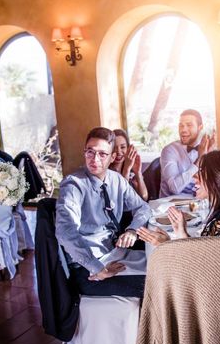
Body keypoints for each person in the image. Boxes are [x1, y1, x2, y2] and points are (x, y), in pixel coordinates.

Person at [55, 127, 151, 297]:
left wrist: (132, 230)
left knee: (161, 273)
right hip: (88, 269)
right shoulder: (73, 185)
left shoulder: (117, 180)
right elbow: (65, 231)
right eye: (90, 152)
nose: (95, 159)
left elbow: (143, 207)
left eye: (102, 154)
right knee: (153, 287)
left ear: (112, 157)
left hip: (115, 254)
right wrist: (97, 268)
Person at [138, 150, 220, 246]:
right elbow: (202, 255)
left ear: (217, 181)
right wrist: (181, 232)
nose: (195, 176)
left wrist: (165, 245)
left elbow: (200, 270)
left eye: (201, 172)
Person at [159, 109, 216, 197]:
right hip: (170, 207)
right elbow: (174, 188)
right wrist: (200, 159)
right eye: (181, 125)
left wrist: (212, 156)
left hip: (199, 206)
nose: (183, 130)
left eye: (189, 125)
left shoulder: (208, 148)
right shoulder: (169, 150)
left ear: (200, 127)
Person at [110, 129, 148, 201]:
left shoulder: (131, 169)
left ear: (128, 148)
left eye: (123, 147)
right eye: (114, 147)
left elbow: (144, 197)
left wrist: (138, 172)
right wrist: (126, 169)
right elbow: (121, 197)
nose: (118, 151)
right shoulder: (107, 173)